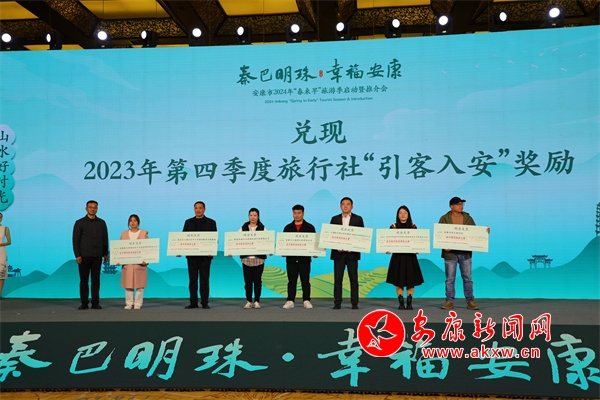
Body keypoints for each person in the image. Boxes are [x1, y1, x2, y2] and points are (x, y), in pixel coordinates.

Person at [439, 197, 489, 311]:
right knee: (450, 279)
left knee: (467, 278)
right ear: (451, 206)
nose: (461, 206)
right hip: (450, 253)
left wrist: (484, 232)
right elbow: (439, 235)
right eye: (458, 204)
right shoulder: (444, 218)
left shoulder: (467, 218)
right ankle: (449, 301)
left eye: (462, 204)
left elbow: (475, 233)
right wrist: (443, 245)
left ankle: (470, 301)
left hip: (465, 253)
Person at [386, 206, 424, 310]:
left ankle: (409, 302)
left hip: (410, 257)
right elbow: (388, 241)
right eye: (400, 213)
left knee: (410, 281)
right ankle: (401, 302)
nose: (403, 215)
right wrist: (387, 248)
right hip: (397, 258)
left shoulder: (413, 227)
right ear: (397, 215)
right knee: (398, 280)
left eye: (405, 213)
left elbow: (417, 242)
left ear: (408, 215)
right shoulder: (393, 227)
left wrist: (418, 248)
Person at [72, 200, 108, 310]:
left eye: (95, 207)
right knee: (84, 281)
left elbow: (105, 239)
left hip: (97, 256)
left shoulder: (102, 223)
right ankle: (84, 303)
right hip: (84, 256)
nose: (93, 209)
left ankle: (95, 302)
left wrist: (105, 253)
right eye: (90, 207)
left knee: (96, 280)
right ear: (86, 208)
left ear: (97, 209)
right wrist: (78, 255)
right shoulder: (79, 223)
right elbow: (76, 241)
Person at [330, 197, 364, 310]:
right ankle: (337, 303)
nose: (345, 206)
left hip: (352, 254)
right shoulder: (334, 219)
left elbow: (361, 237)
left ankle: (354, 303)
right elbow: (330, 236)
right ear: (340, 206)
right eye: (343, 204)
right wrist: (336, 247)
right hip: (338, 254)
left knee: (353, 279)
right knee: (337, 279)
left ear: (352, 206)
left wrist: (353, 247)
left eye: (348, 204)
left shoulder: (358, 219)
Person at [182, 201, 217, 309]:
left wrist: (212, 251)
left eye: (200, 208)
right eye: (196, 208)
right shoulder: (188, 222)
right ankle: (193, 302)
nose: (198, 210)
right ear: (194, 209)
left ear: (204, 209)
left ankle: (204, 302)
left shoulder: (211, 222)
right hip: (192, 257)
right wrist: (179, 250)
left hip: (205, 257)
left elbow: (214, 239)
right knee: (192, 280)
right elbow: (183, 239)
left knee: (204, 280)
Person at [282, 204, 316, 310]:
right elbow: (283, 243)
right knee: (291, 281)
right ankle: (290, 300)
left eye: (299, 213)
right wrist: (282, 251)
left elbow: (314, 243)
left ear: (303, 213)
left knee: (305, 281)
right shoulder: (287, 228)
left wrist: (316, 252)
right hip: (291, 260)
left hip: (304, 260)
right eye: (295, 213)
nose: (297, 215)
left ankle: (306, 300)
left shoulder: (310, 227)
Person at [238, 208, 266, 309]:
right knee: (248, 282)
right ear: (248, 216)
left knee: (258, 282)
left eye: (255, 215)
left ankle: (257, 301)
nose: (253, 217)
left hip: (259, 260)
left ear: (258, 216)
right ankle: (249, 301)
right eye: (251, 215)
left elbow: (268, 242)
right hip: (246, 260)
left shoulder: (263, 228)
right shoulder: (243, 228)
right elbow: (236, 241)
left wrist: (270, 250)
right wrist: (231, 251)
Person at [119, 214, 149, 310]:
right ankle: (129, 303)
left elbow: (148, 249)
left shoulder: (143, 233)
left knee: (140, 285)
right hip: (128, 264)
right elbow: (119, 248)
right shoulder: (124, 234)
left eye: (135, 220)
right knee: (128, 285)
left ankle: (138, 303)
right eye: (131, 220)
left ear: (138, 222)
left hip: (140, 265)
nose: (132, 222)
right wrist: (118, 259)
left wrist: (146, 260)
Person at [0, 213, 12, 299]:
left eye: (0, 217)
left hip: (1, 251)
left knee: (1, 273)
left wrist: (1, 244)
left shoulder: (5, 228)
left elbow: (9, 241)